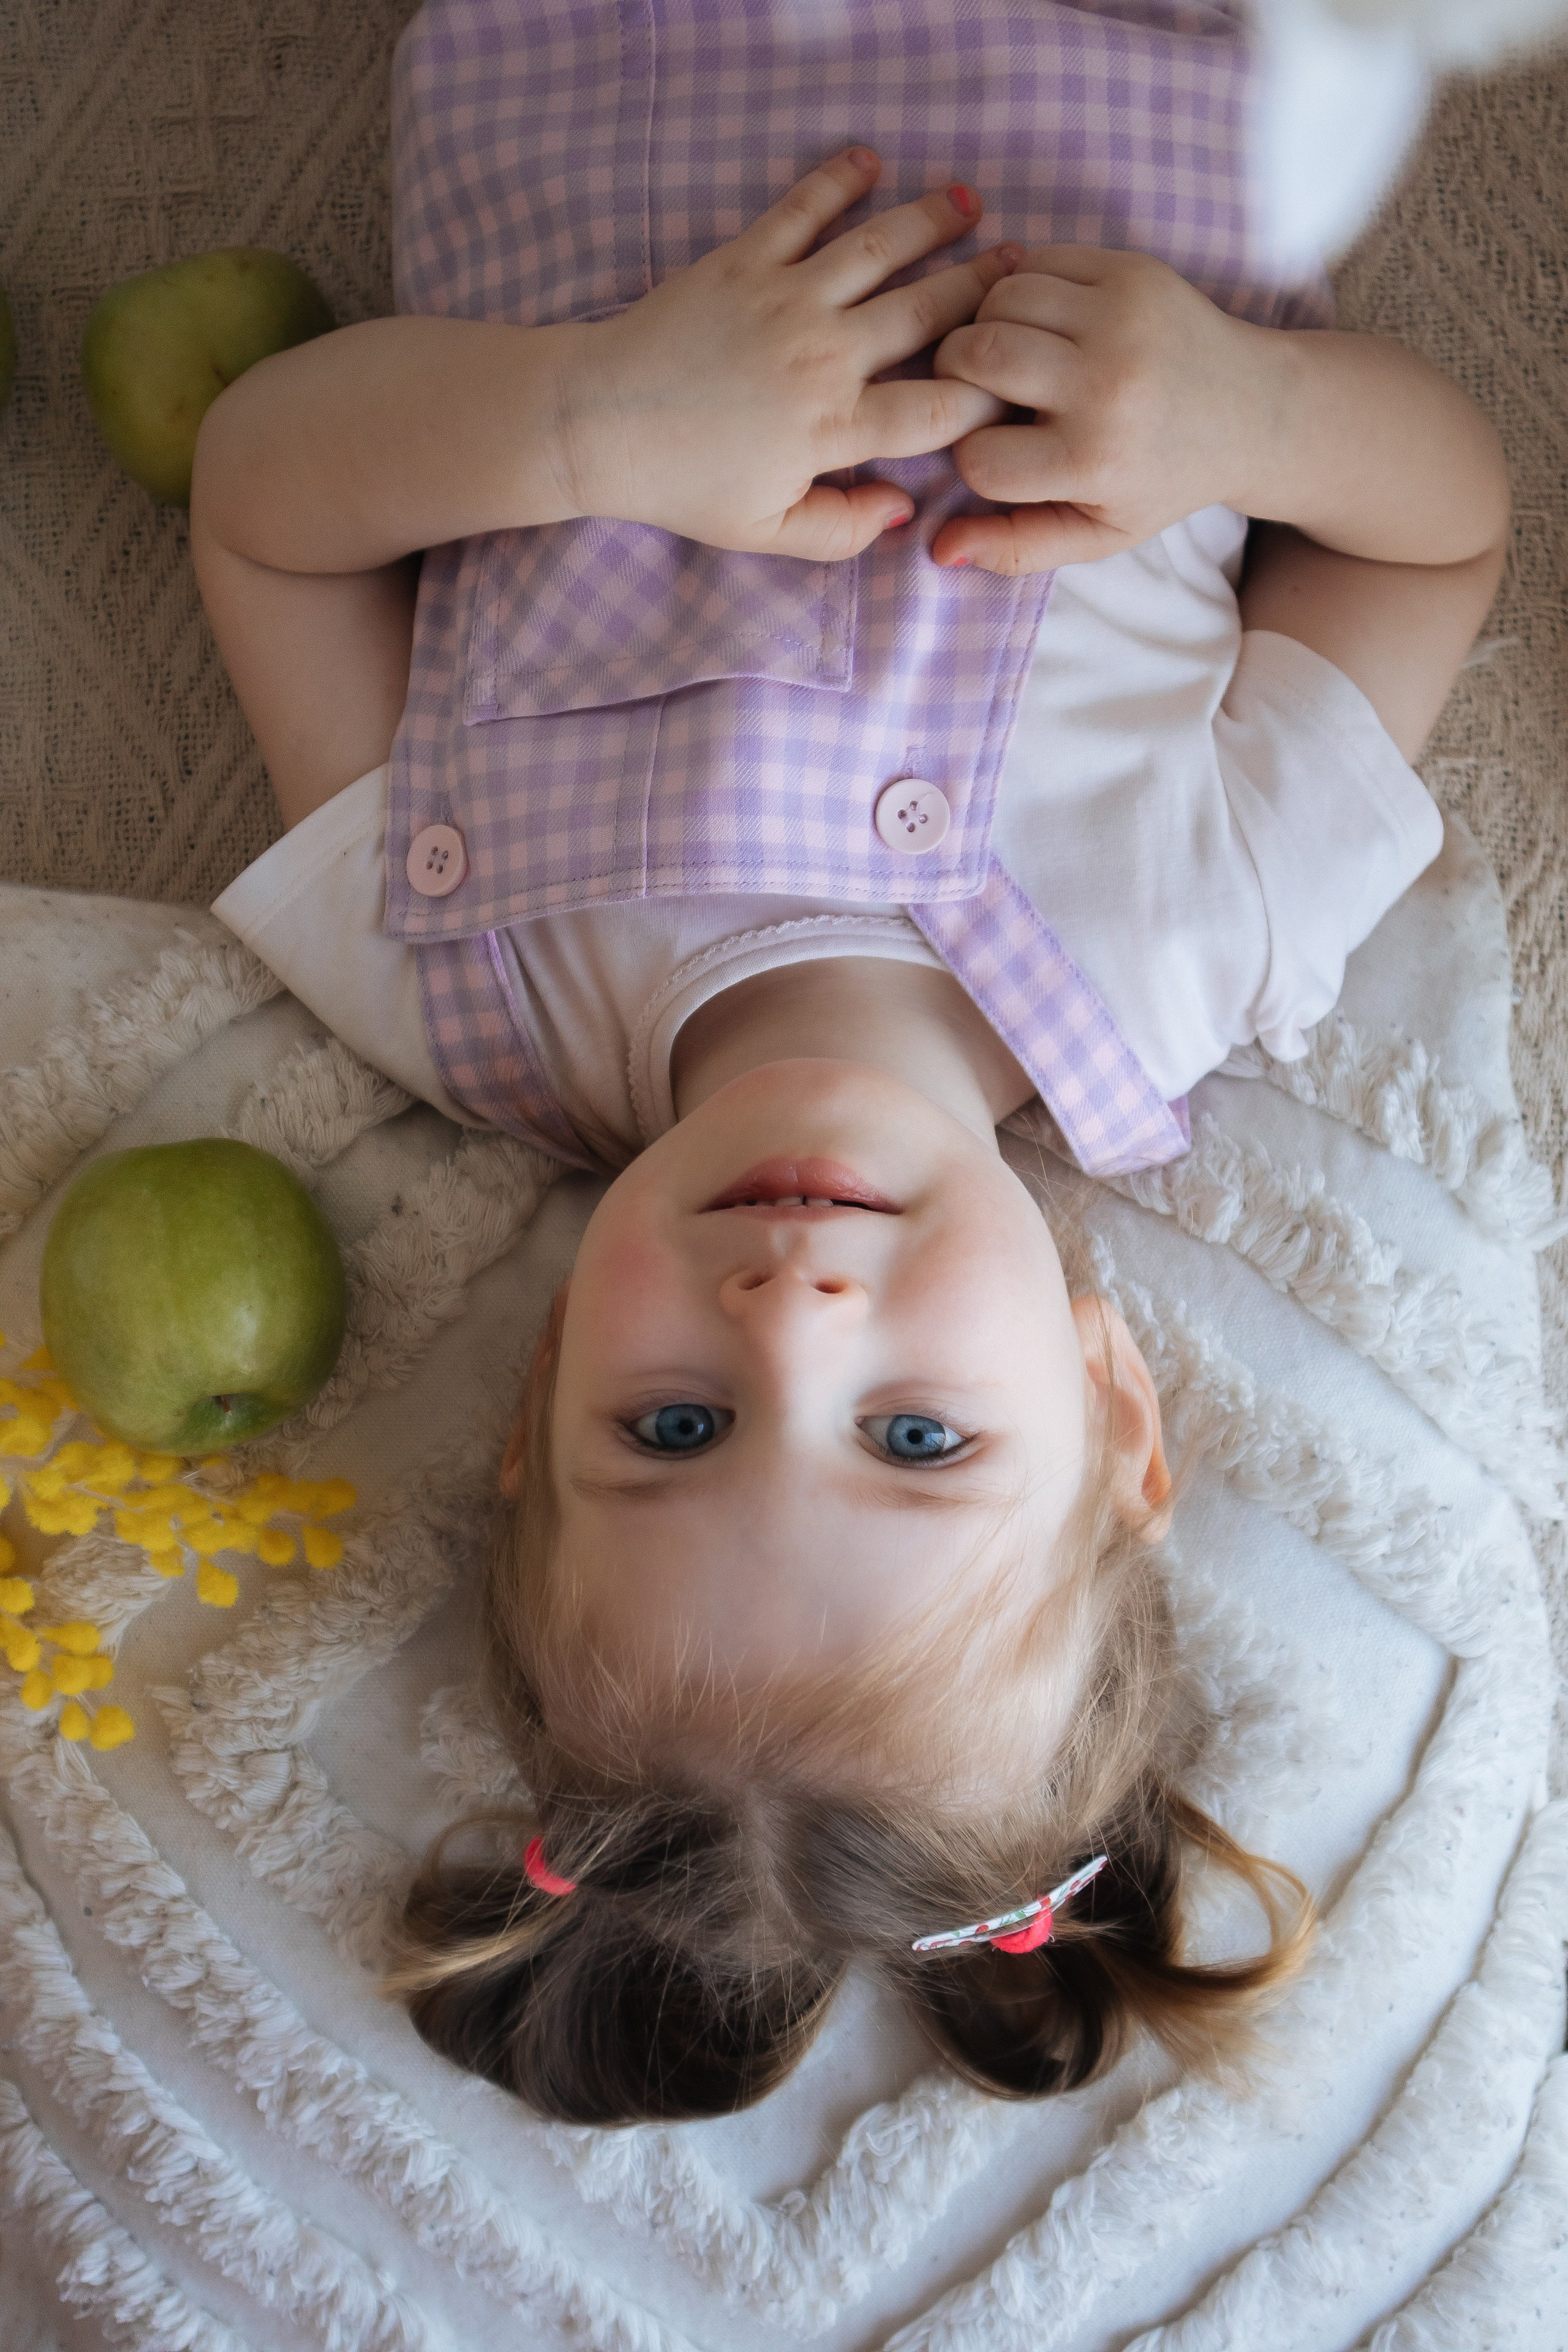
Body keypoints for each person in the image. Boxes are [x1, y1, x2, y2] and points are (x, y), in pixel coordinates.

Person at [192, 1, 1509, 2125]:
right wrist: (1248, 412)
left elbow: (259, 502)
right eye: (916, 1441)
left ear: (536, 1403)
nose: (794, 1319)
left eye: (680, 1422)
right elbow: (1441, 528)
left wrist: (586, 425)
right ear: (1112, 1406)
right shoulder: (1206, 936)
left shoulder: (452, 976)